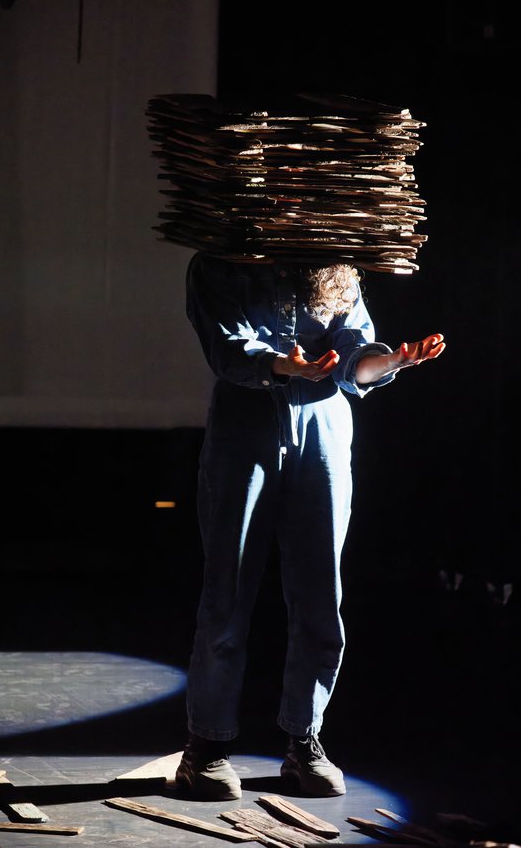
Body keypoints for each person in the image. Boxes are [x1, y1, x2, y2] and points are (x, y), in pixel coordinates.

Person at [175, 251, 445, 801]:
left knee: (321, 597)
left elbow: (354, 357)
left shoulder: (334, 268)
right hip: (245, 432)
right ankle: (206, 747)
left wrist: (390, 361)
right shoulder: (219, 263)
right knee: (228, 594)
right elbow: (227, 349)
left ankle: (305, 740)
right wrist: (285, 365)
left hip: (323, 433)